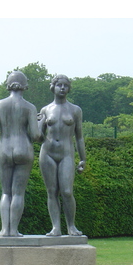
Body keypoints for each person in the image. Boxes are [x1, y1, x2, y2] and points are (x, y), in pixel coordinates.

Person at [0, 70, 40, 236]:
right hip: (24, 148)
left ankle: (4, 229)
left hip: (5, 149)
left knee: (6, 192)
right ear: (25, 86)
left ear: (8, 85)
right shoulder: (29, 107)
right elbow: (36, 135)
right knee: (18, 193)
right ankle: (14, 230)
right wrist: (41, 122)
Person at [38, 75, 87, 236]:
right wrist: (40, 122)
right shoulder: (45, 109)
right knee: (52, 191)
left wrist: (83, 158)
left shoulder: (75, 110)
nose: (62, 88)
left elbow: (79, 137)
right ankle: (56, 227)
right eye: (59, 85)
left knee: (66, 191)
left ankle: (71, 226)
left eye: (65, 85)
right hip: (48, 152)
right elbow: (38, 137)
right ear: (53, 87)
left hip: (66, 153)